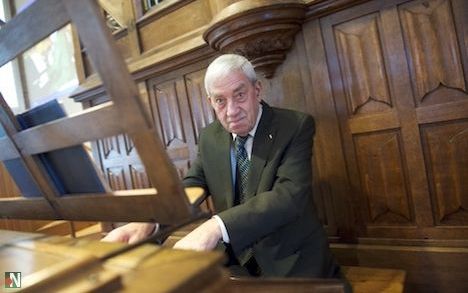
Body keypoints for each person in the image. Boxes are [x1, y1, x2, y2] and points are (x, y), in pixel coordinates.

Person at [103, 54, 342, 279]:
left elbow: (288, 197)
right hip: (235, 254)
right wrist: (151, 221)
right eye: (220, 100)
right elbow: (193, 184)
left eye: (239, 95)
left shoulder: (295, 125)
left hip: (289, 257)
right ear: (210, 102)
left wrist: (216, 227)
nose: (231, 111)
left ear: (256, 90)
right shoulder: (211, 136)